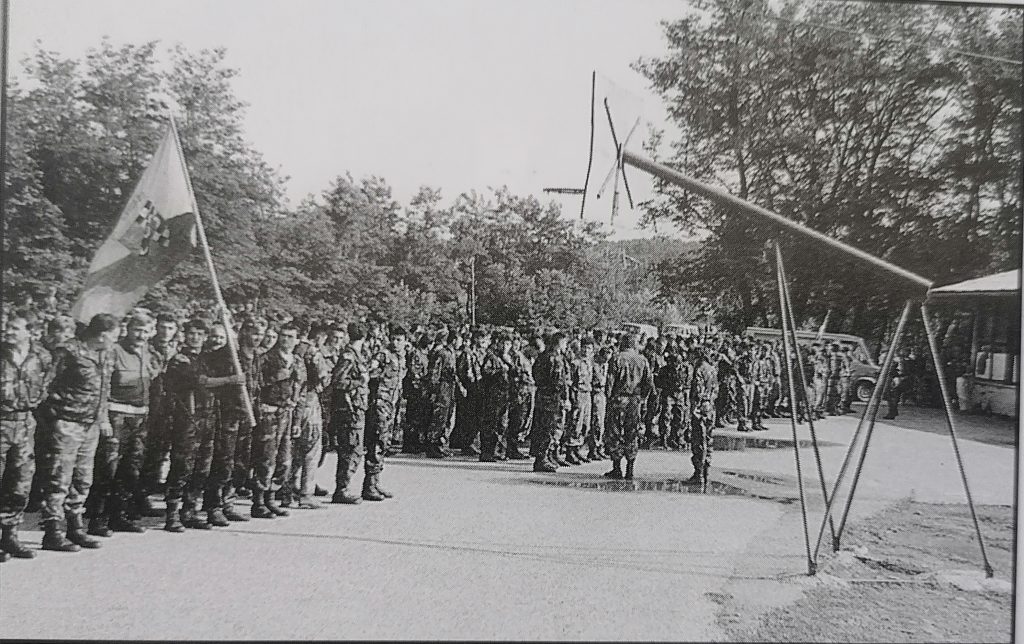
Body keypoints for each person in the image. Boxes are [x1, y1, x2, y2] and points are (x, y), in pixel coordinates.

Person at [37, 313, 119, 552]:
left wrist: (102, 418)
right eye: (113, 335)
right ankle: (52, 531)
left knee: (83, 479)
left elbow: (105, 388)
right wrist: (56, 417)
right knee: (58, 478)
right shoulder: (68, 352)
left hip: (91, 425)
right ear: (102, 335)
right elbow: (45, 387)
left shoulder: (105, 353)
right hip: (67, 424)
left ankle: (75, 527)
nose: (116, 340)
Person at [86, 312, 161, 536]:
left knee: (131, 469)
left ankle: (119, 515)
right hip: (116, 416)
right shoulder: (113, 351)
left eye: (146, 331)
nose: (141, 335)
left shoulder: (149, 353)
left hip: (139, 418)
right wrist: (102, 418)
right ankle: (98, 519)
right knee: (108, 469)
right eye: (137, 330)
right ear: (128, 329)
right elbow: (102, 387)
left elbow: (154, 378)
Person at [0, 312, 54, 560]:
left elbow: (45, 388)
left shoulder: (42, 357)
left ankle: (9, 536)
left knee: (20, 484)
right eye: (7, 327)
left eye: (14, 328)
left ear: (30, 331)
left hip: (24, 425)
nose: (8, 331)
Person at [251, 321, 304, 517]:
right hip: (269, 413)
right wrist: (275, 378)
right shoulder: (266, 359)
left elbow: (301, 390)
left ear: (297, 340)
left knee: (284, 461)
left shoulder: (298, 360)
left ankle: (271, 497)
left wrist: (297, 420)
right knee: (266, 459)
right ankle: (258, 502)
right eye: (283, 335)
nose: (285, 340)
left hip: (287, 415)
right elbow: (254, 385)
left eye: (290, 336)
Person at [289, 323, 330, 509]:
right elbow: (322, 378)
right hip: (309, 403)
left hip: (293, 403)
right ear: (320, 337)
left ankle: (286, 490)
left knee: (294, 450)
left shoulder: (294, 349)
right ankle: (306, 493)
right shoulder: (314, 353)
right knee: (312, 450)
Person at [363, 325, 407, 499]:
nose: (396, 343)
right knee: (376, 442)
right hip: (380, 404)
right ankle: (369, 486)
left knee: (384, 443)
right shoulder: (383, 355)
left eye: (399, 340)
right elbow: (369, 371)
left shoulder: (401, 357)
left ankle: (376, 482)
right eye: (393, 339)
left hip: (391, 405)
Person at [603, 334, 654, 480]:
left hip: (618, 400)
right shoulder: (642, 360)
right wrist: (642, 398)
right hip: (634, 401)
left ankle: (617, 468)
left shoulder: (617, 358)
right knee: (632, 434)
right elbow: (649, 383)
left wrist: (609, 399)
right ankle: (630, 469)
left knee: (615, 433)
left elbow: (610, 382)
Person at [329, 323, 369, 504]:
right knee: (350, 449)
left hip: (356, 408)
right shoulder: (349, 356)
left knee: (355, 449)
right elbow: (338, 382)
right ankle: (342, 489)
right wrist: (359, 382)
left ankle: (344, 486)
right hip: (349, 410)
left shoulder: (355, 355)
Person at [531, 332, 570, 473]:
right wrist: (564, 397)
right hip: (552, 399)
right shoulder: (554, 358)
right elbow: (558, 381)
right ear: (559, 343)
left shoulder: (543, 356)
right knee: (548, 429)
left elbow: (535, 373)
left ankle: (546, 456)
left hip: (543, 396)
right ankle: (541, 459)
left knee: (544, 428)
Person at [424, 329, 462, 459]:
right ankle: (432, 445)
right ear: (455, 340)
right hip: (442, 389)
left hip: (449, 389)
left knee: (446, 417)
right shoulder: (442, 354)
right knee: (438, 417)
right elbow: (435, 373)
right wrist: (433, 391)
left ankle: (440, 444)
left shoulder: (452, 353)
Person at [479, 330, 514, 462]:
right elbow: (486, 372)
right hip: (493, 395)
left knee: (501, 424)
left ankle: (497, 450)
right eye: (504, 343)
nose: (506, 346)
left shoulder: (507, 357)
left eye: (508, 344)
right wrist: (499, 370)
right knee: (490, 423)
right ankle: (487, 452)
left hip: (504, 395)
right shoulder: (492, 357)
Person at [686, 346, 719, 485]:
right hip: (710, 407)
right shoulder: (712, 369)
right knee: (708, 439)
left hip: (700, 409)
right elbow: (716, 390)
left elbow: (697, 392)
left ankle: (698, 473)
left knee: (698, 440)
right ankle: (706, 471)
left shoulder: (699, 370)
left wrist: (692, 409)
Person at [506, 334, 536, 460]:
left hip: (528, 391)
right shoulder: (517, 357)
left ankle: (514, 446)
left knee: (524, 420)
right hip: (520, 392)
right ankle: (511, 448)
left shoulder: (528, 358)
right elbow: (514, 374)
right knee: (517, 420)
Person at [565, 337, 595, 464]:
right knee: (575, 422)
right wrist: (571, 397)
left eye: (589, 348)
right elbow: (570, 382)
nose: (586, 350)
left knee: (585, 424)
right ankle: (570, 451)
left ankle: (578, 448)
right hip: (578, 394)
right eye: (584, 347)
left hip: (587, 394)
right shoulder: (575, 363)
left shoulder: (589, 363)